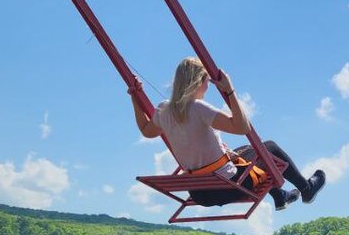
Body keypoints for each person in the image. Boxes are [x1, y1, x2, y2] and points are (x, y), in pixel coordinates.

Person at [132, 57, 325, 210]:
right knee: (269, 148)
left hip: (200, 193)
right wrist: (230, 91)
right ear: (199, 81)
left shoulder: (163, 111)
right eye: (206, 80)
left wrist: (135, 97)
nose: (207, 87)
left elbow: (146, 131)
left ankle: (279, 196)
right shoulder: (198, 108)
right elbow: (242, 127)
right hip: (226, 186)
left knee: (245, 151)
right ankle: (306, 189)